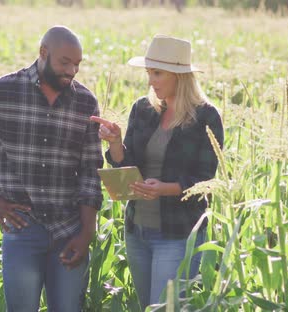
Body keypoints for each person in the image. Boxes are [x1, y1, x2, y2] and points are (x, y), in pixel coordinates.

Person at [0, 26, 103, 311]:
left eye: (77, 64)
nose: (72, 71)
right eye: (65, 62)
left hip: (69, 230)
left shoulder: (85, 102)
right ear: (43, 53)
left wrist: (87, 232)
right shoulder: (2, 91)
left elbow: (91, 172)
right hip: (22, 229)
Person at [90, 35, 224, 309]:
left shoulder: (206, 117)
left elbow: (206, 180)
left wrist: (163, 189)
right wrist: (116, 143)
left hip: (177, 234)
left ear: (179, 75)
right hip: (137, 231)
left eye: (158, 73)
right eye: (149, 72)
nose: (151, 80)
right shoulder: (143, 109)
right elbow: (127, 165)